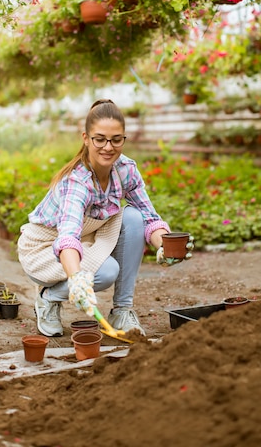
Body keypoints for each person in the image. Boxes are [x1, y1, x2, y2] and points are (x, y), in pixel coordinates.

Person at [17, 98, 172, 338]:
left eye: (116, 140)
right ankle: (48, 297)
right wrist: (77, 278)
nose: (108, 147)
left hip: (86, 240)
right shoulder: (77, 182)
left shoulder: (125, 169)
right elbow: (67, 237)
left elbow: (150, 217)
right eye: (99, 139)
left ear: (123, 139)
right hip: (44, 248)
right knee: (106, 272)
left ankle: (122, 310)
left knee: (133, 216)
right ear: (86, 138)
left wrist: (165, 246)